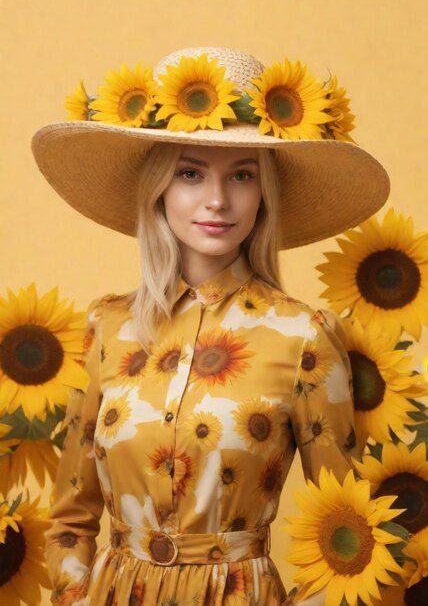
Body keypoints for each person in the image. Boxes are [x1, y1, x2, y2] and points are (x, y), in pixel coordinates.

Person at [31, 47, 390, 606]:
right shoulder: (107, 327)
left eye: (241, 176)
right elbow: (71, 517)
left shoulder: (305, 335)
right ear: (159, 191)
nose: (217, 200)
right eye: (191, 173)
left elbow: (345, 532)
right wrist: (77, 594)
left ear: (263, 196)